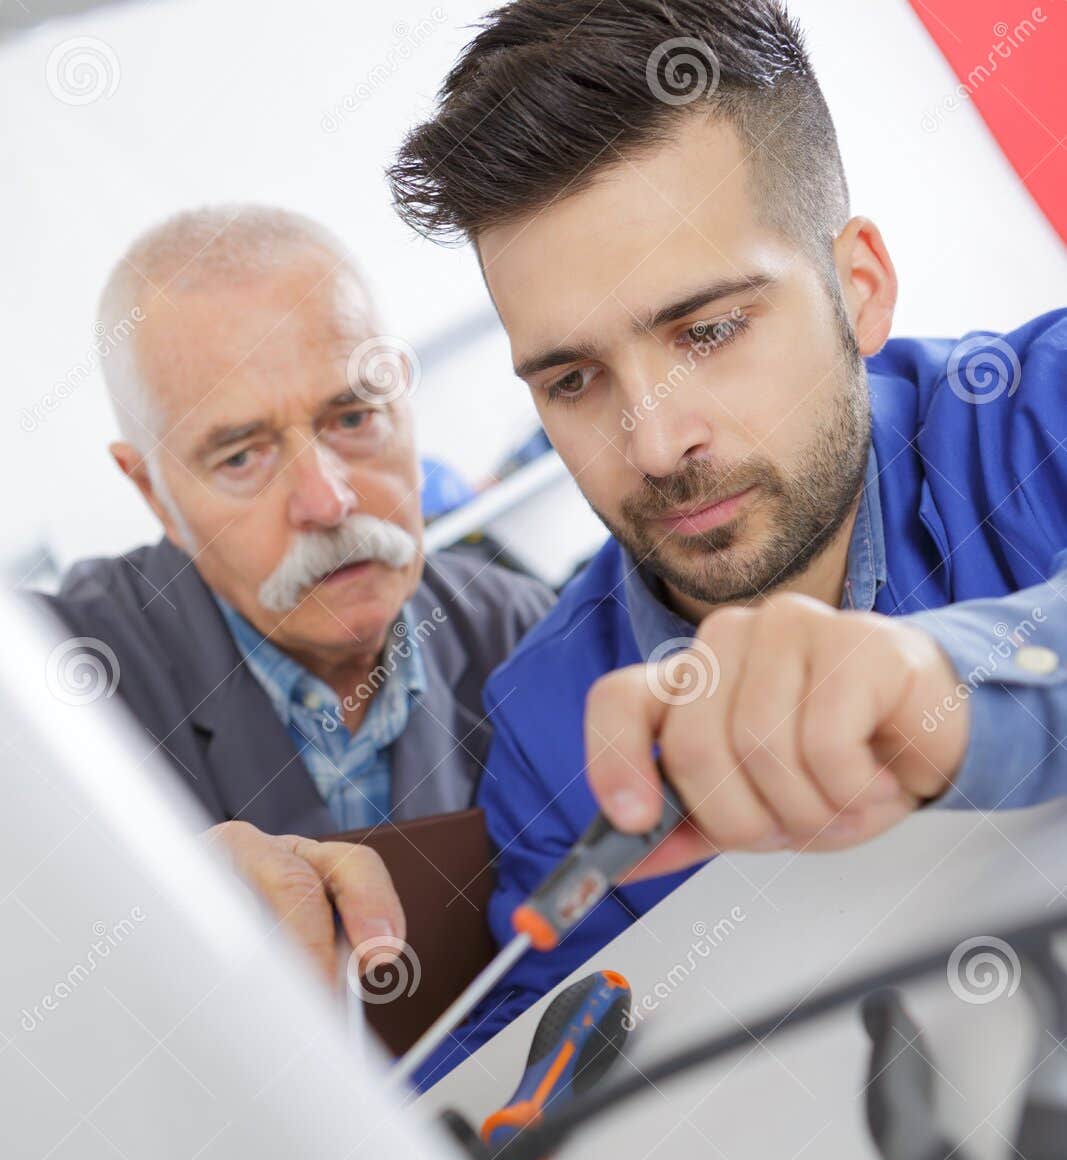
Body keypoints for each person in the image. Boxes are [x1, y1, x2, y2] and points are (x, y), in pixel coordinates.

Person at [388, 0, 1067, 1081]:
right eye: (571, 380)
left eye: (705, 331)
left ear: (857, 287)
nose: (653, 443)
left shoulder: (1040, 410)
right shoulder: (546, 716)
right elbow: (523, 1041)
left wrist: (939, 687)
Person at [42, 205, 552, 980]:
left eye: (352, 416)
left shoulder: (522, 634)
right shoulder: (53, 687)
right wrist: (137, 907)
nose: (326, 499)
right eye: (241, 457)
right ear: (153, 494)